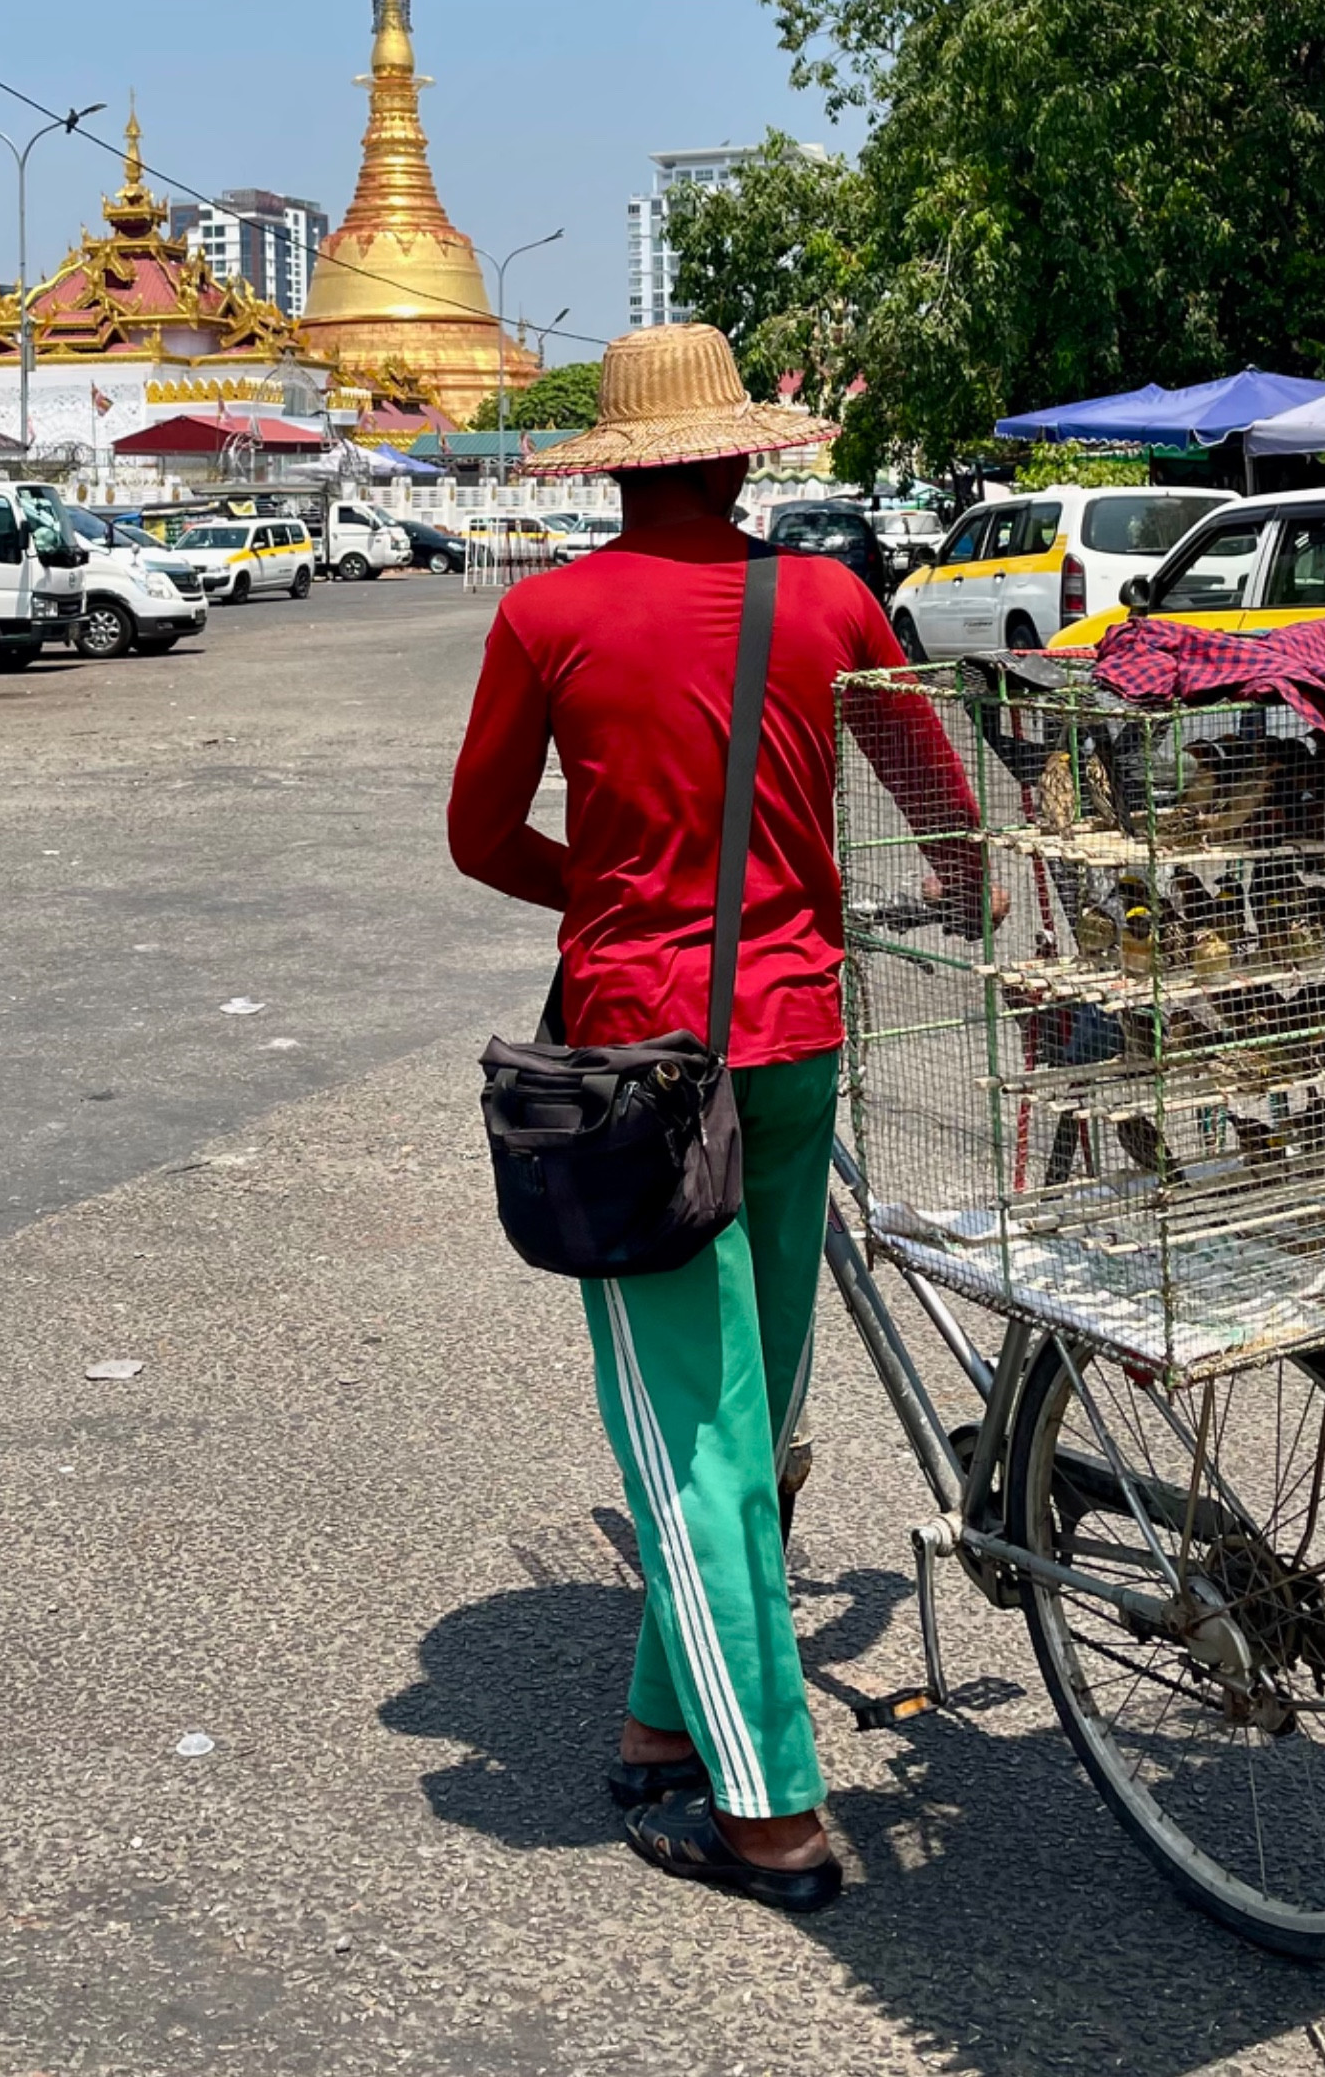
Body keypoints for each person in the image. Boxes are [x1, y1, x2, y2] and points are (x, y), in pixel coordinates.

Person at [446, 323, 988, 1913]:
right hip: (798, 1034)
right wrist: (949, 886)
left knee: (694, 1436)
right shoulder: (826, 602)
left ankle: (766, 1816)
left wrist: (607, 896)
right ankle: (656, 1719)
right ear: (746, 451)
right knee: (748, 1411)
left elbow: (482, 836)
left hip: (641, 1065)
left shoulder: (549, 613)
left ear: (614, 466)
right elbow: (942, 804)